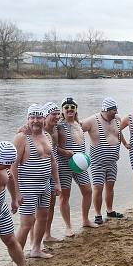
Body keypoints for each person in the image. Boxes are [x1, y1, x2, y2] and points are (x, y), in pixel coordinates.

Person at [13, 104, 60, 258]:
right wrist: (16, 192)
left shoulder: (47, 136)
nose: (35, 121)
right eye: (32, 117)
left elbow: (53, 161)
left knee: (43, 217)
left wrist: (57, 182)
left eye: (39, 117)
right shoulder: (22, 137)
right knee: (27, 223)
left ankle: (36, 249)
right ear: (28, 119)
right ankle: (17, 257)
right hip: (28, 186)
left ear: (43, 118)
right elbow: (13, 167)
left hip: (45, 184)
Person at [82, 97, 127, 224]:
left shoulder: (117, 119)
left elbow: (118, 133)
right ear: (106, 110)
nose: (116, 112)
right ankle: (97, 214)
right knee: (98, 188)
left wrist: (125, 144)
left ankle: (110, 211)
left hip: (112, 162)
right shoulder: (92, 120)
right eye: (114, 110)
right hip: (98, 162)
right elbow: (76, 128)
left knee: (110, 187)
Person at [55, 97, 96, 235]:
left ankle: (85, 219)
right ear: (62, 111)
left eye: (72, 107)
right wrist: (64, 152)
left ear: (76, 109)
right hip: (64, 165)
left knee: (88, 191)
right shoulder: (59, 126)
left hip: (80, 165)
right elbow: (55, 147)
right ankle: (68, 226)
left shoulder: (80, 124)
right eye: (66, 108)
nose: (69, 109)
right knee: (65, 196)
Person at [40, 102, 63, 242]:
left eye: (57, 114)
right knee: (40, 207)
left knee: (51, 204)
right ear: (45, 115)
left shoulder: (56, 129)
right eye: (53, 114)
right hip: (41, 171)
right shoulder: (38, 130)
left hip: (53, 171)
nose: (56, 116)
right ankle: (36, 238)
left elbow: (56, 149)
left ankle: (47, 234)